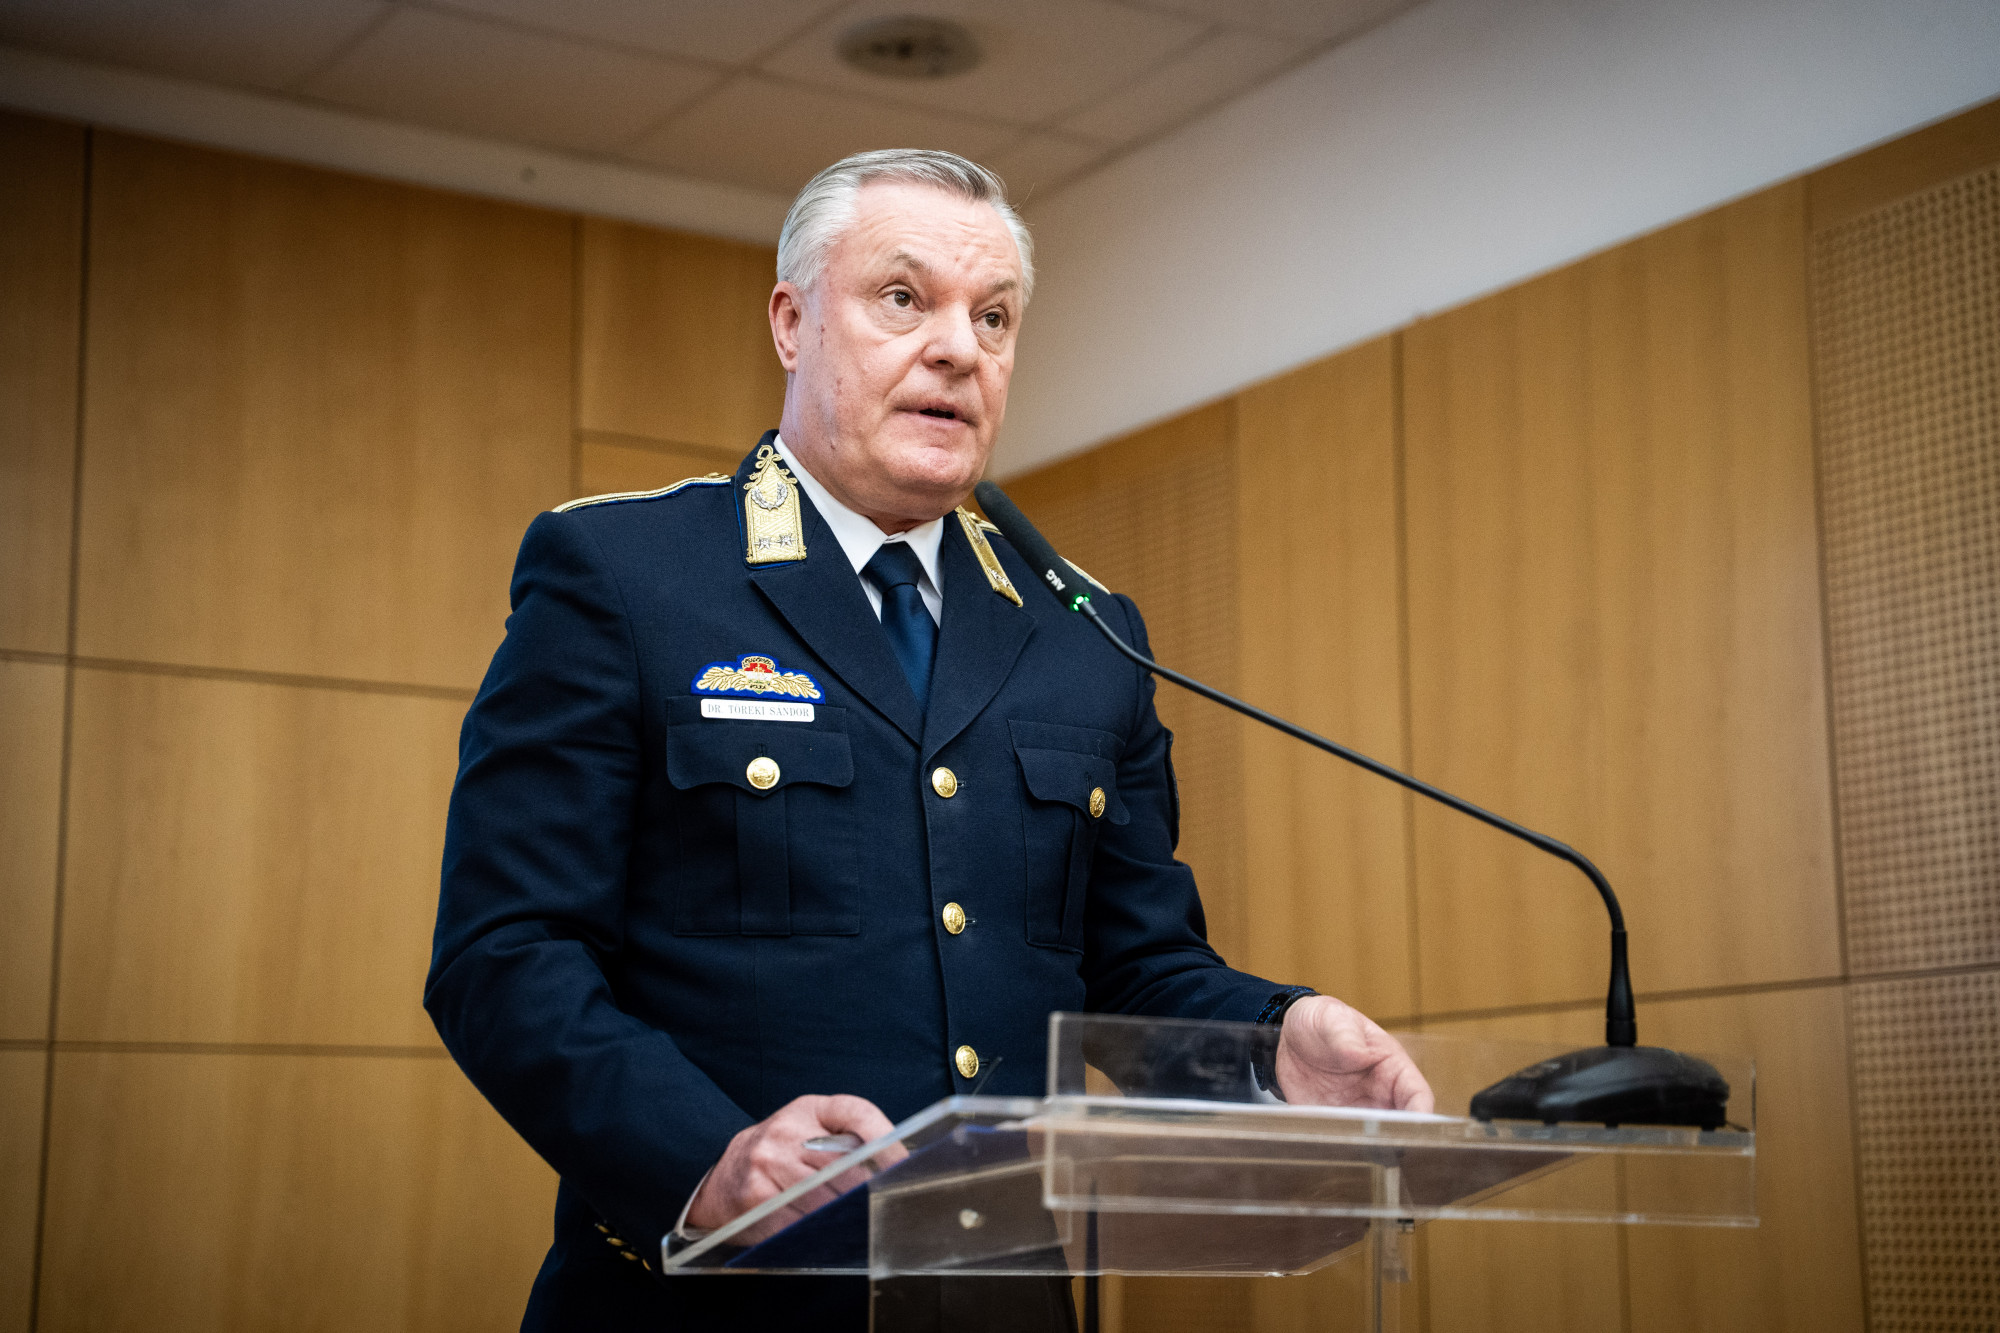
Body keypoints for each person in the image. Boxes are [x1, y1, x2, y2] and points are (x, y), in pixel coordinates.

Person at [426, 148, 1432, 1333]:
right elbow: (507, 951)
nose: (959, 347)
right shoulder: (626, 575)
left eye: (992, 316)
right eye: (903, 298)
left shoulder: (1084, 631)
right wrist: (705, 1158)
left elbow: (1133, 965)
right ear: (791, 323)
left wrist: (1270, 1043)